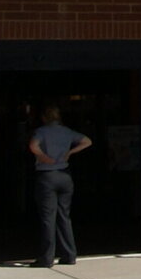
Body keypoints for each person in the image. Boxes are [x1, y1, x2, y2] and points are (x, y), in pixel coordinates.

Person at [28, 104, 93, 266]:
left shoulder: (41, 132)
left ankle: (47, 257)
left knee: (48, 217)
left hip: (47, 175)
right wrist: (70, 152)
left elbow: (33, 146)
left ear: (44, 117)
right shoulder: (66, 132)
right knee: (64, 215)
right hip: (64, 174)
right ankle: (69, 254)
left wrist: (43, 157)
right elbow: (87, 141)